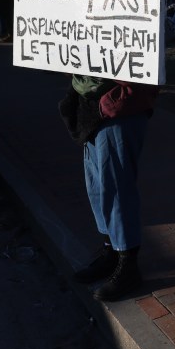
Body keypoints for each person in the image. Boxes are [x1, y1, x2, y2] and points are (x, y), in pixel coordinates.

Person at [59, 76, 159, 302]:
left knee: (116, 187)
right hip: (93, 102)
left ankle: (127, 261)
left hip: (120, 103)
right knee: (97, 184)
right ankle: (112, 251)